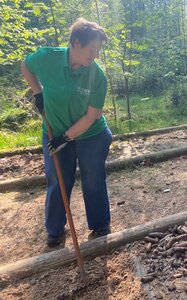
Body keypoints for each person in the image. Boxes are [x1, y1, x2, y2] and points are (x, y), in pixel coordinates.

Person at [21, 18, 112, 247]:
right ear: (76, 43)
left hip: (91, 135)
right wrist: (37, 92)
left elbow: (92, 116)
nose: (95, 55)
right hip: (54, 132)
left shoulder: (97, 76)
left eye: (98, 50)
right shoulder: (46, 58)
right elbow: (25, 65)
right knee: (58, 178)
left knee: (93, 180)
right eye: (92, 49)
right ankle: (54, 229)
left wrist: (66, 138)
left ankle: (100, 225)